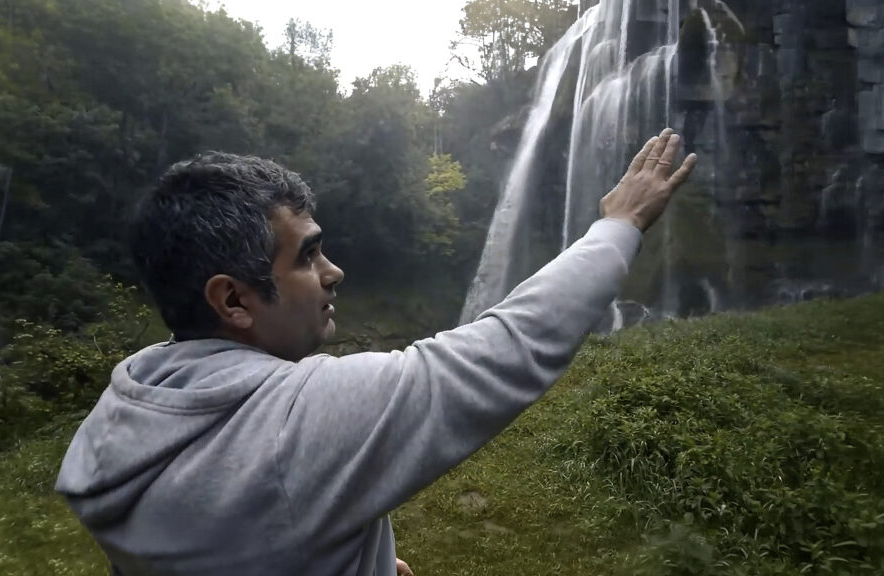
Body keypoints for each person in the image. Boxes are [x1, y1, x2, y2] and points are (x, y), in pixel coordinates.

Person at [55, 128, 698, 576]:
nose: (333, 272)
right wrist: (619, 224)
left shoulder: (117, 418)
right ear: (233, 301)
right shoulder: (295, 427)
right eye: (307, 255)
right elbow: (505, 347)